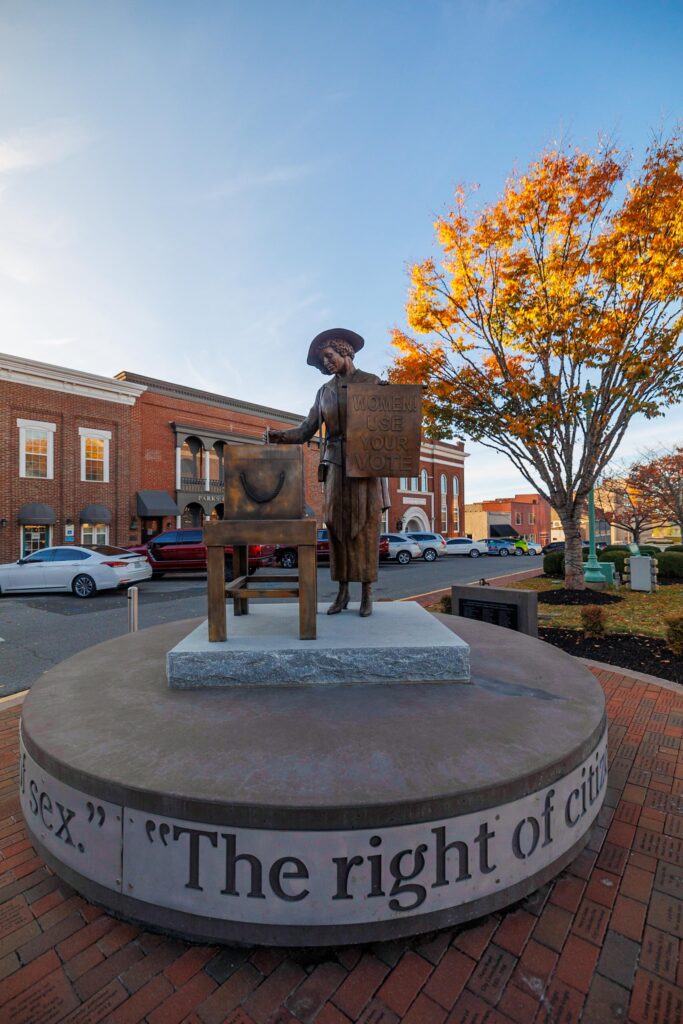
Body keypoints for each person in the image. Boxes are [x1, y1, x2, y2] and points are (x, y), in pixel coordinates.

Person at [268, 328, 389, 617]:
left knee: (366, 525)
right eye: (322, 360)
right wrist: (278, 436)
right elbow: (306, 429)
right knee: (337, 526)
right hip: (335, 464)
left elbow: (393, 422)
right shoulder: (324, 392)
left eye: (329, 356)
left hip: (366, 465)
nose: (326, 363)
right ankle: (343, 591)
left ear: (345, 351)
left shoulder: (372, 382)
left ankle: (367, 593)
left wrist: (396, 399)